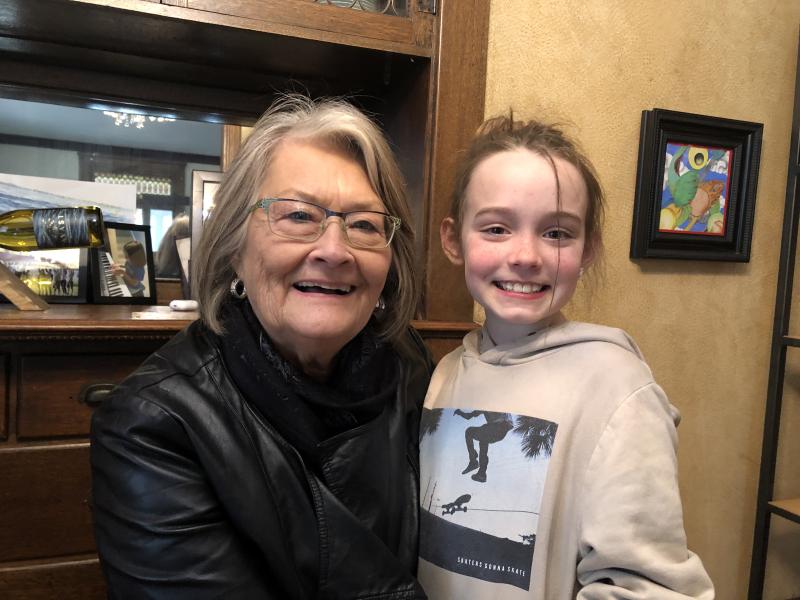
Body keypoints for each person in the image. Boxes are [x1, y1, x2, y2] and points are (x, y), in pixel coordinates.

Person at [90, 95, 433, 599]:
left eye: (364, 224)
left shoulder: (412, 368)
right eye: (298, 216)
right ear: (235, 245)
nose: (334, 250)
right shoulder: (155, 424)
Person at [416, 115, 715, 598]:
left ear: (588, 248)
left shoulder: (617, 388)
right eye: (496, 228)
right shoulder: (445, 373)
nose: (526, 256)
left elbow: (650, 588)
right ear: (454, 240)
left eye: (556, 233)